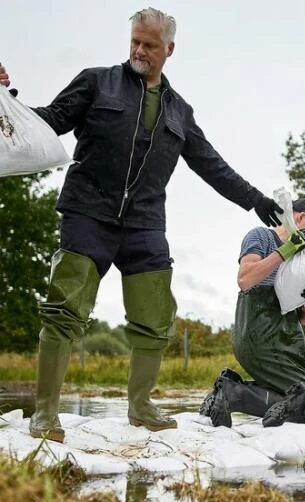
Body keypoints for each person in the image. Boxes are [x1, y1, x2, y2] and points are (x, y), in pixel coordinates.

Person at [0, 8, 283, 443]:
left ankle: (141, 406)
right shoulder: (97, 81)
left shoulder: (180, 112)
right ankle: (45, 415)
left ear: (169, 49)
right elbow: (49, 121)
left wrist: (256, 200)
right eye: (135, 41)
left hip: (145, 222)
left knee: (154, 319)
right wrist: (7, 102)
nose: (139, 51)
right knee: (64, 312)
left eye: (149, 45)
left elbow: (212, 166)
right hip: (87, 212)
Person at [200, 198, 305, 427]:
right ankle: (232, 394)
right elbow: (245, 280)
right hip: (258, 334)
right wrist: (285, 251)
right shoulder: (260, 236)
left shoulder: (301, 260)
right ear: (300, 217)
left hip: (287, 340)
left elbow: (300, 320)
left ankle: (229, 389)